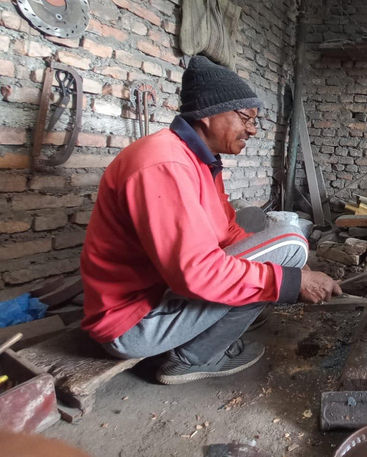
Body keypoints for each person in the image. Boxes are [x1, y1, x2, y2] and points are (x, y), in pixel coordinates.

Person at [80, 56, 341, 385]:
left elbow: (228, 232)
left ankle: (203, 335)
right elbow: (195, 273)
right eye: (245, 118)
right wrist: (291, 282)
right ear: (207, 114)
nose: (253, 129)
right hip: (134, 324)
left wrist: (296, 272)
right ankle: (193, 356)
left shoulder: (200, 162)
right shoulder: (164, 164)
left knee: (284, 257)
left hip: (159, 296)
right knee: (290, 242)